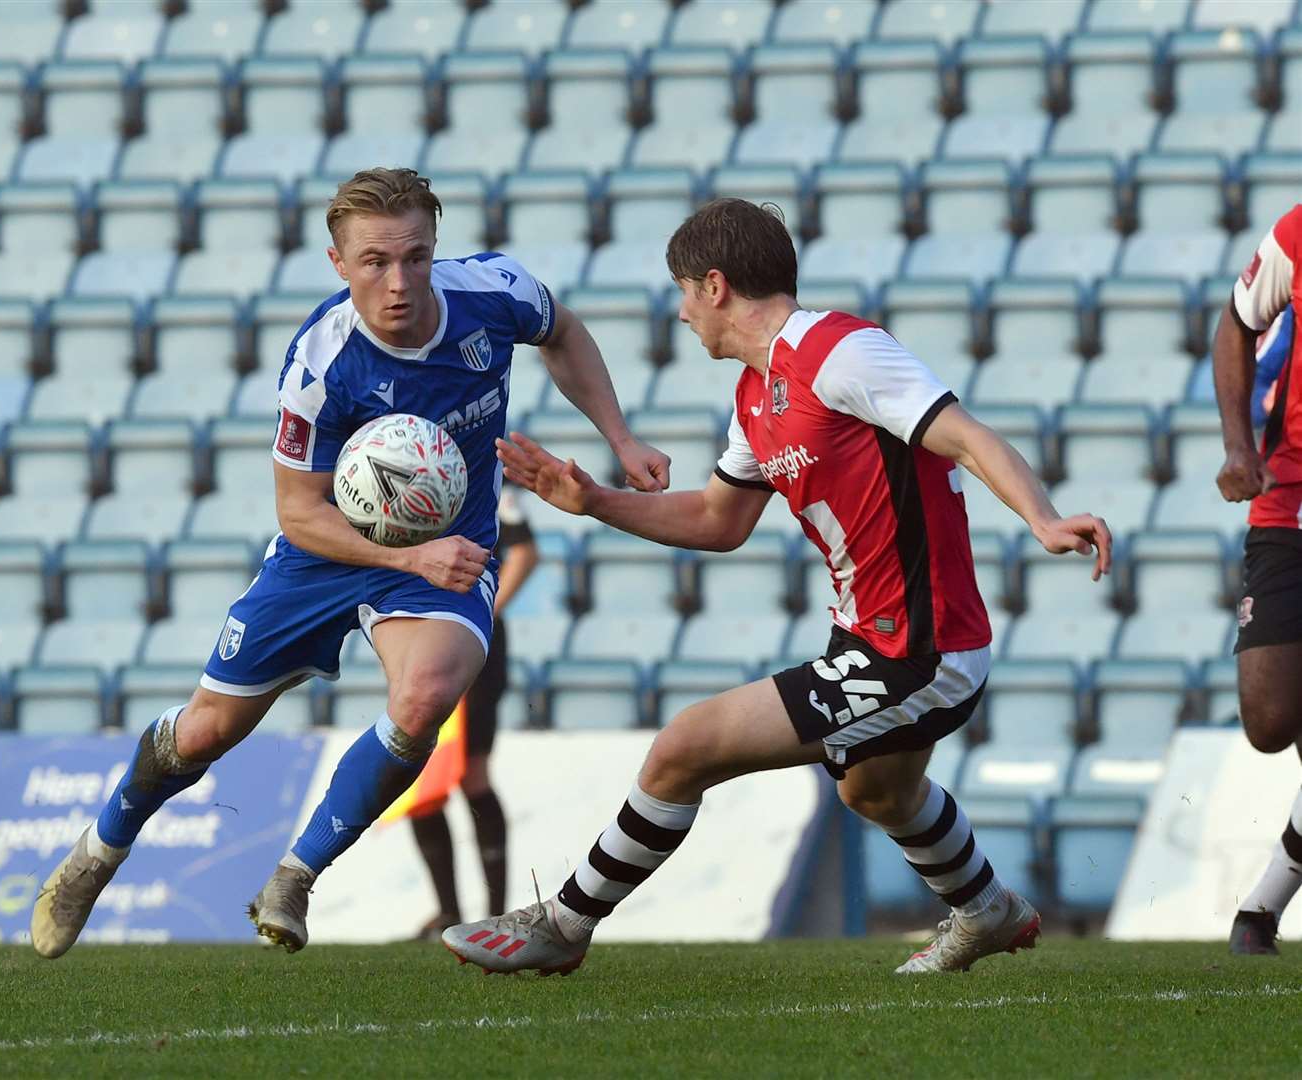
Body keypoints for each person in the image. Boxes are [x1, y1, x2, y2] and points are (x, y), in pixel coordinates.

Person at [443, 198, 1113, 976]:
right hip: (867, 636)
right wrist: (593, 501)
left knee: (684, 746)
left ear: (716, 286)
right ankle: (987, 908)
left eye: (684, 291)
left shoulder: (841, 351)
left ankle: (563, 923)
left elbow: (963, 433)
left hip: (920, 648)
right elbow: (719, 520)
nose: (684, 313)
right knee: (877, 794)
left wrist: (1043, 517)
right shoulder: (757, 396)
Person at [30, 168, 669, 958]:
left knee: (426, 694)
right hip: (325, 553)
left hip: (452, 553)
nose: (398, 282)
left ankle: (294, 878)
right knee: (200, 736)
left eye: (415, 257)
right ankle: (99, 852)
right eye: (374, 262)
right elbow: (298, 511)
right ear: (339, 263)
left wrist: (620, 437)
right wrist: (405, 553)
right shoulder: (319, 362)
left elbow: (564, 332)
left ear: (436, 250)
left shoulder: (495, 292)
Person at [1212, 203, 1302, 957]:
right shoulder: (1298, 232)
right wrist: (1240, 445)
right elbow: (1237, 323)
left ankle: (1260, 911)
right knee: (1269, 718)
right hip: (1290, 499)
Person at [410, 489, 538, 938]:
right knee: (421, 781)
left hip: (472, 643)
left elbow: (525, 550)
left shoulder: (489, 480)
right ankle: (448, 914)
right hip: (418, 639)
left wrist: (488, 609)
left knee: (472, 774)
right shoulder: (407, 474)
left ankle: (495, 914)